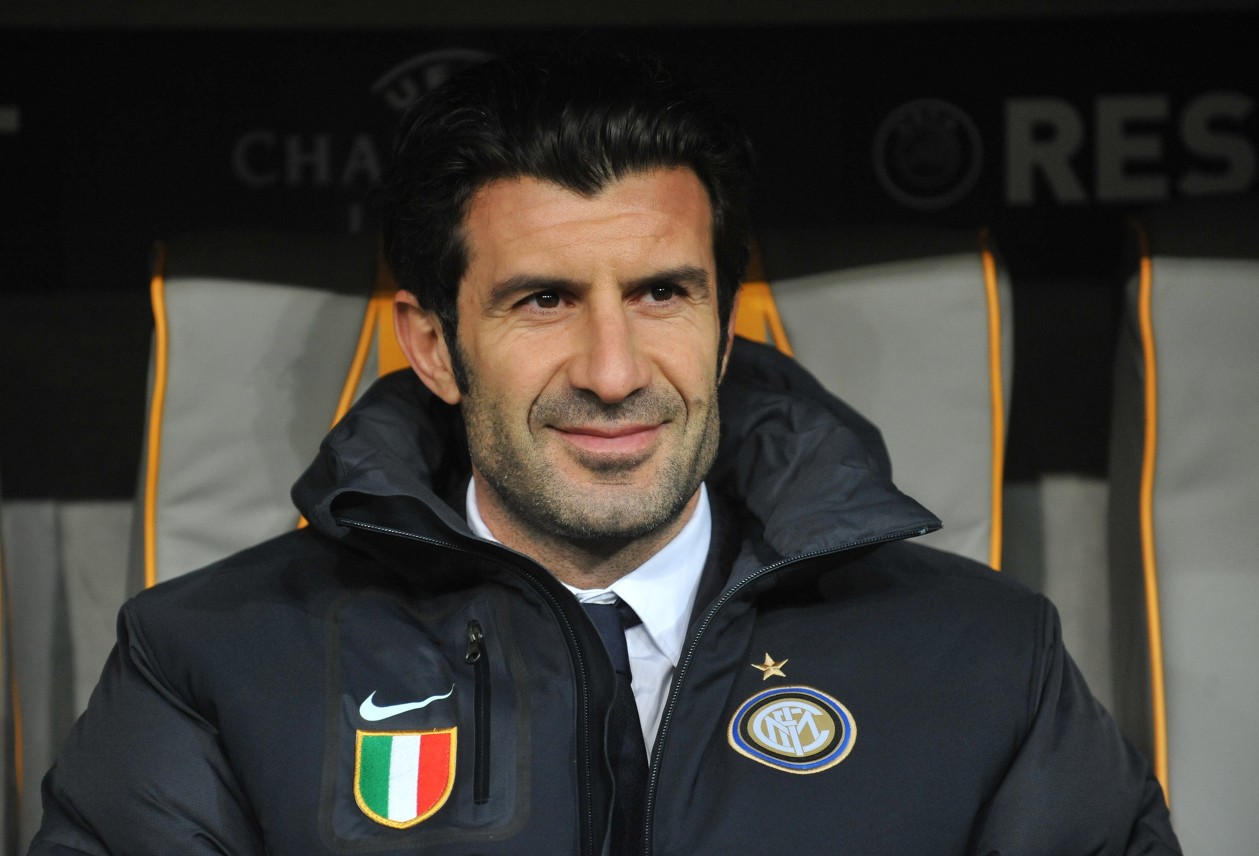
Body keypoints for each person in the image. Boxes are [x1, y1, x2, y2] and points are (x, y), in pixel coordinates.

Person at [32, 52, 1180, 855]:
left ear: (723, 324)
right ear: (432, 345)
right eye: (542, 300)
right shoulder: (207, 664)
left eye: (662, 293)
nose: (615, 370)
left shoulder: (984, 661)